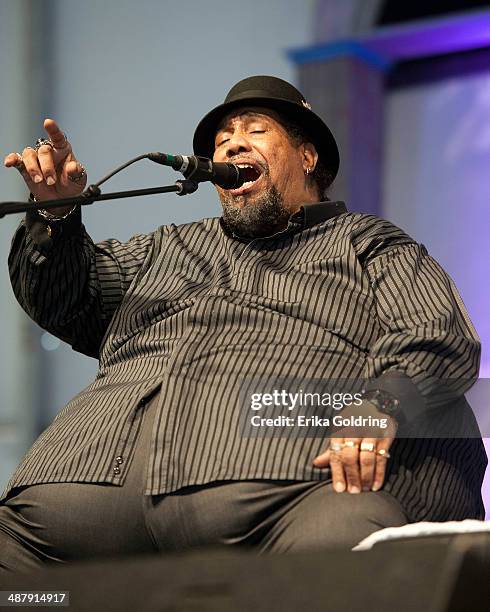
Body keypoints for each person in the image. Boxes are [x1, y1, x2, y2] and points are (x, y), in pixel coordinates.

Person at [0, 75, 486, 573]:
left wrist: (378, 405)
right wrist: (54, 216)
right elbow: (64, 298)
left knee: (345, 554)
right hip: (76, 490)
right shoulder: (164, 247)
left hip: (280, 493)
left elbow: (435, 331)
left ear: (307, 157)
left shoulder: (364, 241)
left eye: (256, 130)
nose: (233, 142)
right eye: (222, 139)